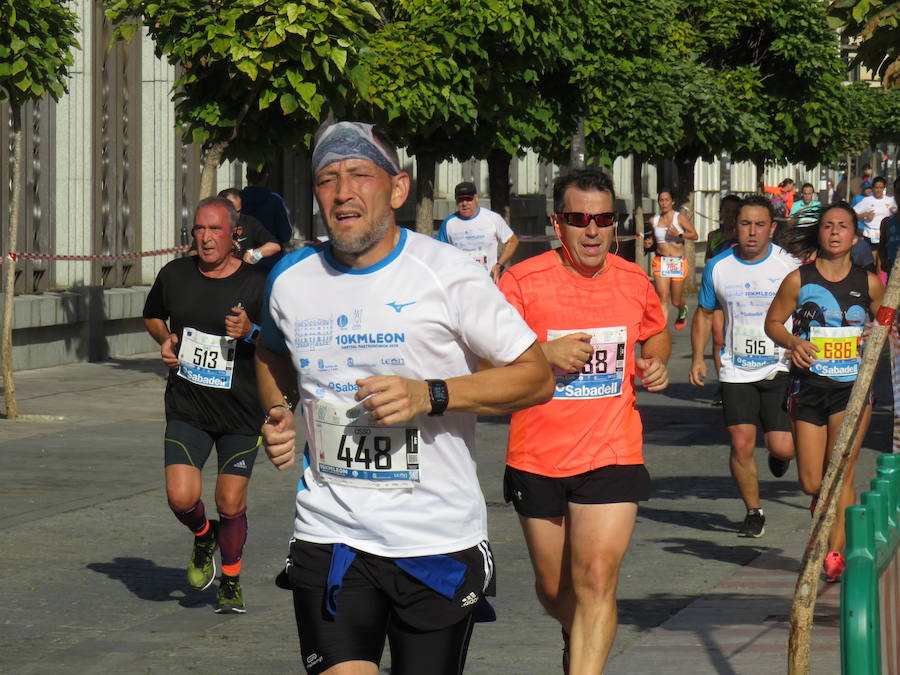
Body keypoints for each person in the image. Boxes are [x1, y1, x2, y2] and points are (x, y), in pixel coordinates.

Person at [255, 121, 554, 675]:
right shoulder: (289, 279)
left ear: (397, 189)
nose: (343, 191)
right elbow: (270, 351)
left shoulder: (448, 275)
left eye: (359, 175)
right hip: (330, 532)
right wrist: (277, 410)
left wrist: (430, 394)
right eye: (327, 179)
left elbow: (535, 376)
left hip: (433, 538)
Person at [499, 169, 670, 673]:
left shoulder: (633, 279)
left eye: (603, 218)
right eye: (579, 219)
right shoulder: (522, 282)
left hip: (612, 449)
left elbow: (655, 331)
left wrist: (656, 358)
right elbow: (487, 362)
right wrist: (542, 353)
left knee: (596, 577)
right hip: (538, 454)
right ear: (558, 223)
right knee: (556, 590)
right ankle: (575, 634)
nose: (592, 230)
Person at [143, 197, 268, 613]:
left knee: (229, 501)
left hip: (240, 411)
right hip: (188, 404)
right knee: (181, 498)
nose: (206, 237)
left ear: (234, 235)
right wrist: (165, 339)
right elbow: (153, 315)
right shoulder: (175, 274)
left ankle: (230, 580)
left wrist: (250, 331)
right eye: (199, 229)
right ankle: (203, 535)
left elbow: (280, 342)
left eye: (214, 229)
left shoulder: (256, 282)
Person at [764, 203, 884, 582]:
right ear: (820, 233)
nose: (835, 232)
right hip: (808, 386)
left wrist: (874, 334)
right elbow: (773, 323)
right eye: (828, 226)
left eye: (843, 226)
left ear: (855, 236)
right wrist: (793, 342)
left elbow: (885, 326)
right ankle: (823, 505)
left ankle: (835, 553)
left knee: (842, 474)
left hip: (851, 390)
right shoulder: (799, 279)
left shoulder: (870, 283)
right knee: (813, 481)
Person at [689, 195, 798, 538]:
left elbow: (809, 307)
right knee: (740, 443)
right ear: (735, 226)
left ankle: (781, 457)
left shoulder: (789, 266)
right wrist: (697, 358)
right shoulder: (719, 266)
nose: (752, 232)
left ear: (772, 229)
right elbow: (705, 312)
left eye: (760, 225)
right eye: (746, 224)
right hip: (736, 368)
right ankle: (754, 511)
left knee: (782, 447)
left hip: (780, 366)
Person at [436, 181, 520, 283]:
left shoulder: (492, 218)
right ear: (456, 200)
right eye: (461, 200)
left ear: (476, 198)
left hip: (487, 283)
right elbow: (438, 251)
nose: (465, 204)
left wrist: (499, 266)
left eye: (468, 199)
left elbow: (513, 241)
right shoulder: (449, 223)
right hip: (460, 284)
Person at [643, 188, 698, 329]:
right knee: (662, 297)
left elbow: (694, 235)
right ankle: (662, 328)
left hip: (677, 263)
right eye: (661, 200)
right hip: (661, 261)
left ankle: (682, 308)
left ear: (672, 202)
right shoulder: (653, 220)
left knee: (675, 300)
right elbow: (655, 240)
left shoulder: (679, 218)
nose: (663, 203)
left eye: (666, 200)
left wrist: (679, 234)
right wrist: (649, 243)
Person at [705, 195, 742, 405]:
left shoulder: (743, 237)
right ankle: (723, 384)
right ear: (721, 213)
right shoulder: (713, 236)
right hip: (719, 294)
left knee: (735, 336)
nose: (730, 215)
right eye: (726, 211)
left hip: (738, 294)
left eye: (734, 212)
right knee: (718, 338)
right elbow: (708, 261)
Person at [217, 187, 282, 267]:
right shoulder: (210, 225)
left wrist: (254, 255)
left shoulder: (249, 223)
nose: (236, 216)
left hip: (243, 276)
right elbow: (197, 251)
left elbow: (275, 246)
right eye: (232, 211)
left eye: (238, 211)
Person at [241, 164, 294, 244]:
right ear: (266, 176)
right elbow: (285, 235)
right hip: (270, 252)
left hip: (242, 252)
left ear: (247, 177)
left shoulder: (238, 198)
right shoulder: (275, 200)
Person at [854, 176, 897, 245]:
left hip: (885, 234)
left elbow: (896, 212)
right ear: (873, 188)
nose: (878, 190)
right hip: (869, 234)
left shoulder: (890, 200)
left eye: (881, 188)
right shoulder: (866, 200)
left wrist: (893, 214)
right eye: (876, 188)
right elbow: (852, 214)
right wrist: (864, 215)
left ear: (884, 188)